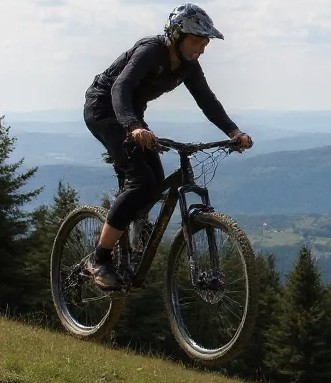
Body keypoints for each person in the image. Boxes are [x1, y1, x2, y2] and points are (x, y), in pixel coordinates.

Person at [82, 3, 253, 290]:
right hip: (104, 109)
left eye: (205, 43)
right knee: (141, 181)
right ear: (176, 35)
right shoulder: (151, 51)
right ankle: (98, 259)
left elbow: (207, 100)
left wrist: (234, 131)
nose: (201, 48)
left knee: (157, 181)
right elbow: (119, 88)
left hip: (132, 117)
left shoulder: (188, 67)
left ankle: (135, 226)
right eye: (196, 41)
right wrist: (133, 126)